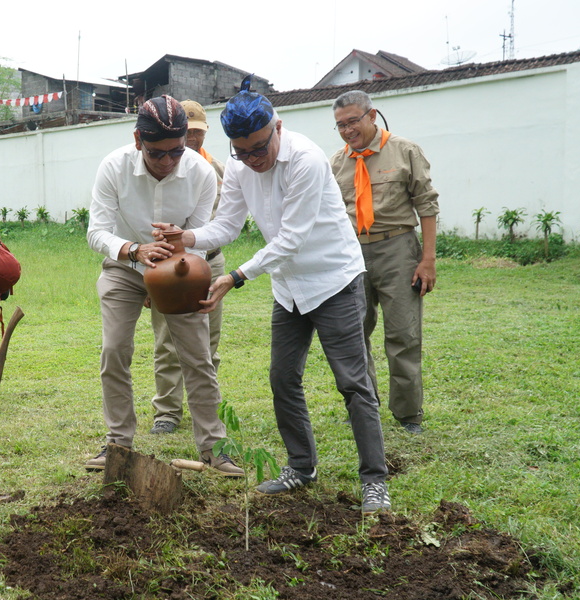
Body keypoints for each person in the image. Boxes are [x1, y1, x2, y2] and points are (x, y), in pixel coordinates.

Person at [158, 77, 390, 513]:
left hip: (334, 281)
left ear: (277, 128)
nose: (252, 159)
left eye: (259, 148)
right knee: (283, 379)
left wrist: (236, 276)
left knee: (353, 383)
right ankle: (301, 467)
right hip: (289, 288)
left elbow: (292, 238)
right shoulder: (240, 167)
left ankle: (374, 481)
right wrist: (185, 237)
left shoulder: (306, 159)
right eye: (241, 151)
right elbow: (227, 226)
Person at [86, 94, 242, 477]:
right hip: (124, 265)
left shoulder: (201, 173)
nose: (168, 161)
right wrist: (135, 251)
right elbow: (96, 232)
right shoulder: (114, 167)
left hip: (178, 268)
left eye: (176, 151)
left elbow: (200, 237)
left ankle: (214, 448)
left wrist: (177, 250)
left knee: (198, 355)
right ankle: (118, 444)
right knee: (114, 350)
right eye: (157, 153)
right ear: (138, 140)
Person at [329, 90, 439, 435]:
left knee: (403, 333)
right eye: (340, 125)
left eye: (353, 121)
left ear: (372, 116)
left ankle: (408, 414)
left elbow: (427, 205)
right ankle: (363, 407)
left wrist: (428, 259)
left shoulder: (405, 151)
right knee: (353, 334)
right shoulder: (336, 163)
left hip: (397, 250)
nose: (348, 130)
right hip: (351, 254)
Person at [148, 100, 227, 436]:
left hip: (210, 262)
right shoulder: (158, 170)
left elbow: (224, 220)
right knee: (167, 340)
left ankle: (206, 407)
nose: (193, 139)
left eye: (199, 133)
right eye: (188, 133)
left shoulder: (216, 169)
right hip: (169, 266)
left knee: (208, 339)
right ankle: (167, 410)